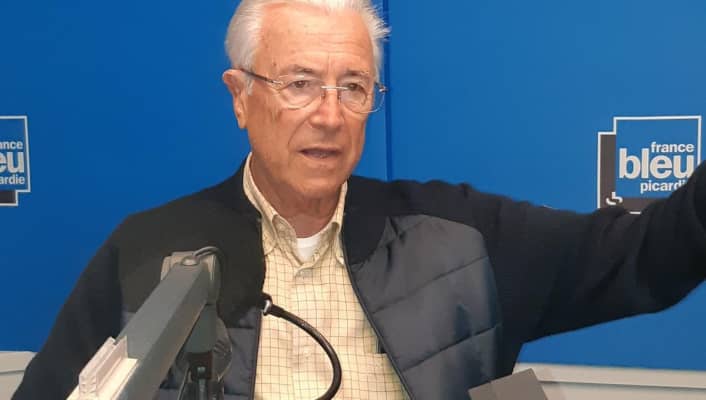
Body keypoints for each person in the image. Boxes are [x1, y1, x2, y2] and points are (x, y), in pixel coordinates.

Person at [13, 0, 706, 399]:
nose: (329, 114)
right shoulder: (148, 252)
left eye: (353, 87)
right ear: (240, 97)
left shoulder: (459, 236)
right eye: (299, 84)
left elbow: (647, 254)